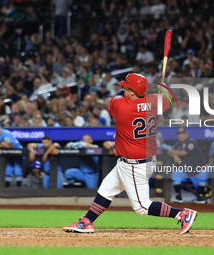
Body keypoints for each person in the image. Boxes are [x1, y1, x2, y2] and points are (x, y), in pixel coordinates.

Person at [63, 73, 197, 234]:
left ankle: (182, 213)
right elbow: (168, 98)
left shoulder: (123, 107)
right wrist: (161, 89)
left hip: (136, 164)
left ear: (133, 92)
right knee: (106, 190)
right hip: (136, 161)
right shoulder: (155, 102)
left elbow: (115, 98)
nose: (123, 89)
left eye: (126, 87)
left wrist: (153, 90)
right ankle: (87, 221)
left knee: (142, 206)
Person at [168, 128, 209, 204]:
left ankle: (201, 197)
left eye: (182, 134)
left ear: (186, 135)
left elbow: (183, 153)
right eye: (179, 134)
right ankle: (178, 197)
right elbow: (169, 153)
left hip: (198, 169)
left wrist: (173, 153)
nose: (181, 136)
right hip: (185, 170)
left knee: (204, 173)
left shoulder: (191, 142)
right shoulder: (177, 144)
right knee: (176, 173)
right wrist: (175, 156)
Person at [0, 122, 23, 187]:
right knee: (8, 170)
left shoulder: (6, 133)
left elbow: (9, 145)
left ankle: (19, 188)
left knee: (17, 170)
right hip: (9, 154)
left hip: (18, 151)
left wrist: (1, 145)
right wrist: (1, 144)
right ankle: (7, 189)